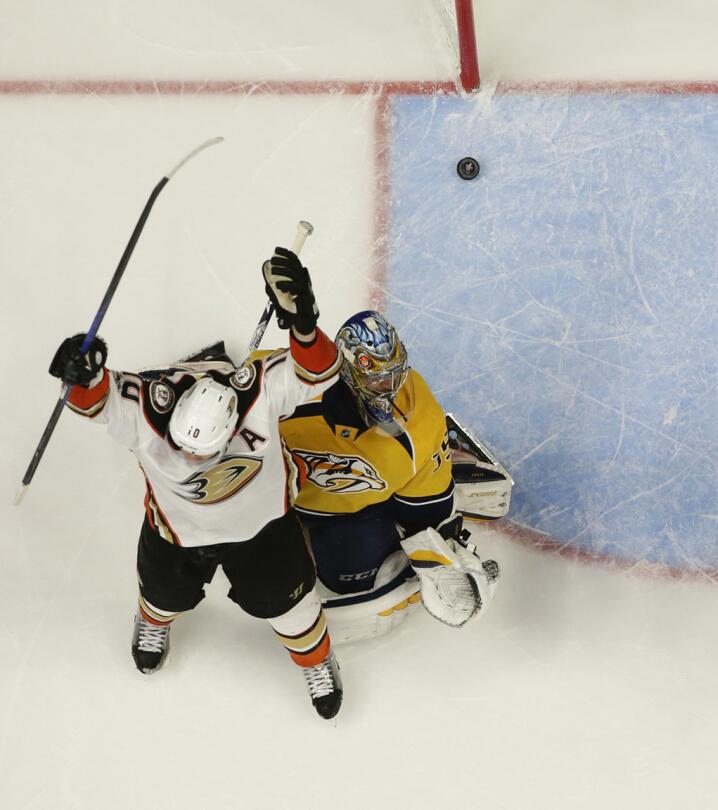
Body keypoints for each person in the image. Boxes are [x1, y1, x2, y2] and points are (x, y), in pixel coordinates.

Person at [47, 246, 345, 719]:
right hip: (176, 533)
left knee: (289, 606)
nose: (190, 458)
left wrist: (305, 325)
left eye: (203, 453)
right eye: (184, 447)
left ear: (230, 427)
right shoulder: (148, 407)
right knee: (162, 594)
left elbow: (320, 372)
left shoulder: (258, 393)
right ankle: (154, 622)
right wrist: (78, 374)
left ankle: (315, 660)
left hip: (263, 529)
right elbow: (93, 401)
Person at [278, 309, 510, 643]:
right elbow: (242, 389)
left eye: (393, 376)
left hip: (355, 510)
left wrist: (438, 556)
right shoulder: (291, 388)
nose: (387, 389)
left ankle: (450, 461)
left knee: (350, 581)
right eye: (375, 379)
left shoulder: (417, 420)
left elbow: (426, 507)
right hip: (283, 494)